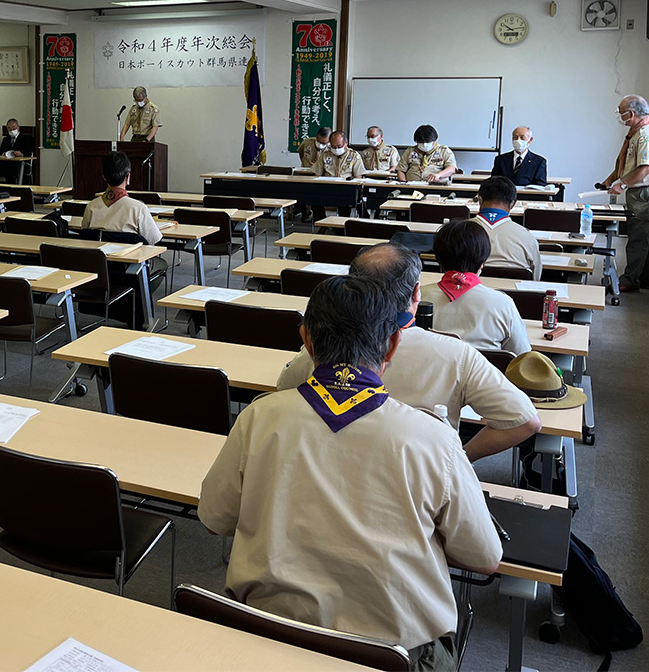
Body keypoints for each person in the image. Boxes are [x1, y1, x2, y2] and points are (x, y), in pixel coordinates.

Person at [201, 275, 502, 670]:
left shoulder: (258, 416)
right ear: (393, 343)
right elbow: (483, 556)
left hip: (268, 639)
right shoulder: (435, 440)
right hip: (390, 656)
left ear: (306, 341)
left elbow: (214, 516)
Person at [275, 243, 540, 462]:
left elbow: (284, 388)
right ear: (416, 293)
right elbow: (525, 421)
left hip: (332, 465)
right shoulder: (456, 354)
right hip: (421, 478)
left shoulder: (326, 346)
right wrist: (457, 458)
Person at [420, 220, 531, 355]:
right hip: (484, 376)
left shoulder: (417, 298)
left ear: (438, 259)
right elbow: (521, 356)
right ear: (483, 262)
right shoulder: (502, 304)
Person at [601, 94, 649, 292]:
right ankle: (647, 278)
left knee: (638, 236)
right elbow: (629, 163)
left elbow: (645, 168)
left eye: (621, 112)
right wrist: (611, 179)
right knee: (648, 236)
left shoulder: (645, 135)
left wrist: (621, 184)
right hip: (645, 190)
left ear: (631, 114)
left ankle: (629, 281)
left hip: (645, 192)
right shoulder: (637, 132)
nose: (619, 115)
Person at [82, 151, 162, 246]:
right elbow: (154, 240)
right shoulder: (138, 208)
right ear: (128, 176)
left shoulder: (91, 206)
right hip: (130, 260)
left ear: (104, 177)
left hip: (97, 259)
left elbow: (84, 234)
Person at [473, 176, 541, 281]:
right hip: (516, 296)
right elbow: (536, 279)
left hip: (467, 295)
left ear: (480, 199)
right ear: (513, 204)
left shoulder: (457, 232)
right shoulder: (527, 237)